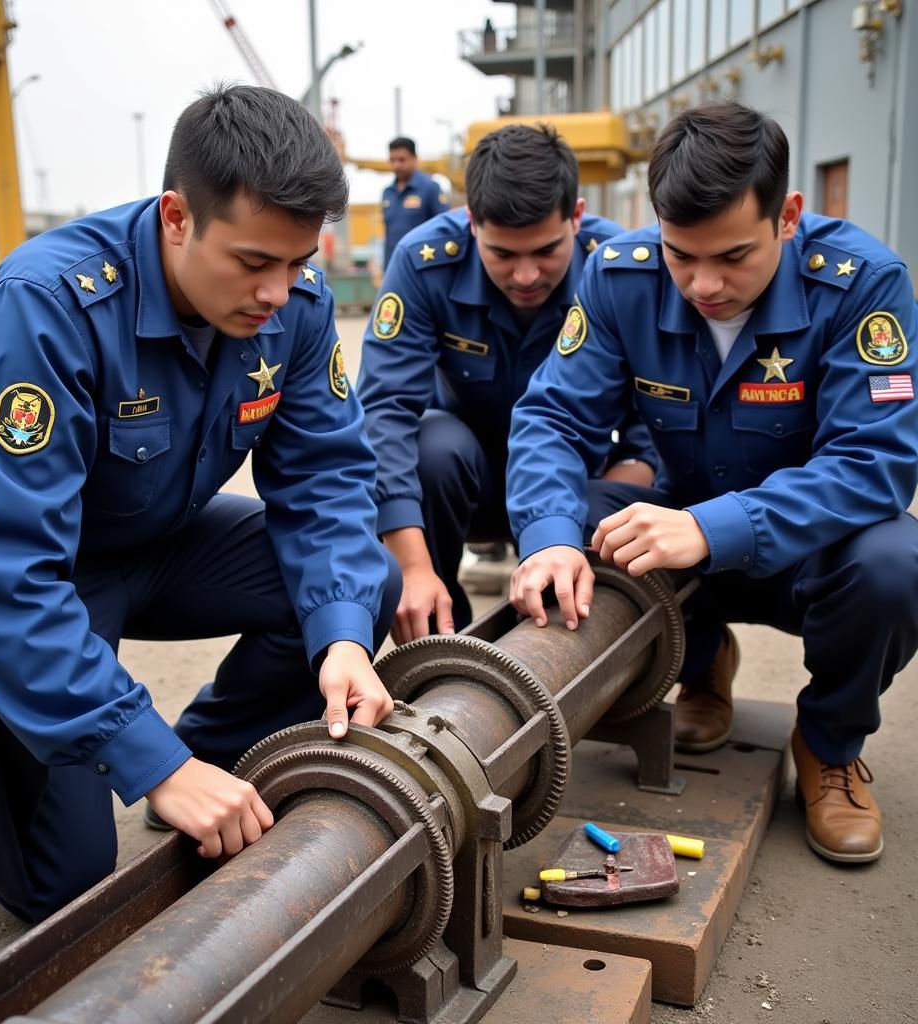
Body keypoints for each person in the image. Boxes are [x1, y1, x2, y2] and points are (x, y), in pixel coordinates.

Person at [0, 84, 400, 917]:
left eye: (298, 263)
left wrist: (342, 640)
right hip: (2, 573)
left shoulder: (294, 308)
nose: (278, 292)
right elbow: (1, 570)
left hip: (156, 542)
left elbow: (326, 480)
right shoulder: (50, 304)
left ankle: (214, 757)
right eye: (252, 262)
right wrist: (147, 761)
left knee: (360, 584)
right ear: (176, 217)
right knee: (69, 890)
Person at [507, 103, 918, 865]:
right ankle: (699, 672)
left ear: (788, 216)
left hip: (805, 557)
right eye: (680, 254)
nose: (703, 284)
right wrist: (551, 540)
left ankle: (829, 745)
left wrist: (713, 527)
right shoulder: (620, 278)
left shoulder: (863, 285)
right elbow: (553, 418)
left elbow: (877, 463)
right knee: (584, 519)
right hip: (681, 553)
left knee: (897, 561)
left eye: (732, 256)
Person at [358, 123, 657, 642]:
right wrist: (410, 566)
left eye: (544, 251)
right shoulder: (426, 263)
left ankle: (673, 655)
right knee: (433, 447)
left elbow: (662, 395)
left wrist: (636, 472)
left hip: (577, 483)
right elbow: (385, 408)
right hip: (466, 483)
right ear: (472, 223)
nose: (525, 276)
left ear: (577, 218)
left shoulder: (618, 268)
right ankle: (441, 635)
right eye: (503, 254)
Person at [381, 136, 447, 268]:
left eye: (402, 160)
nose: (396, 165)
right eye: (392, 160)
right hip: (394, 267)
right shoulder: (387, 193)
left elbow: (443, 228)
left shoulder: (430, 188)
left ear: (415, 158)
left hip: (423, 265)